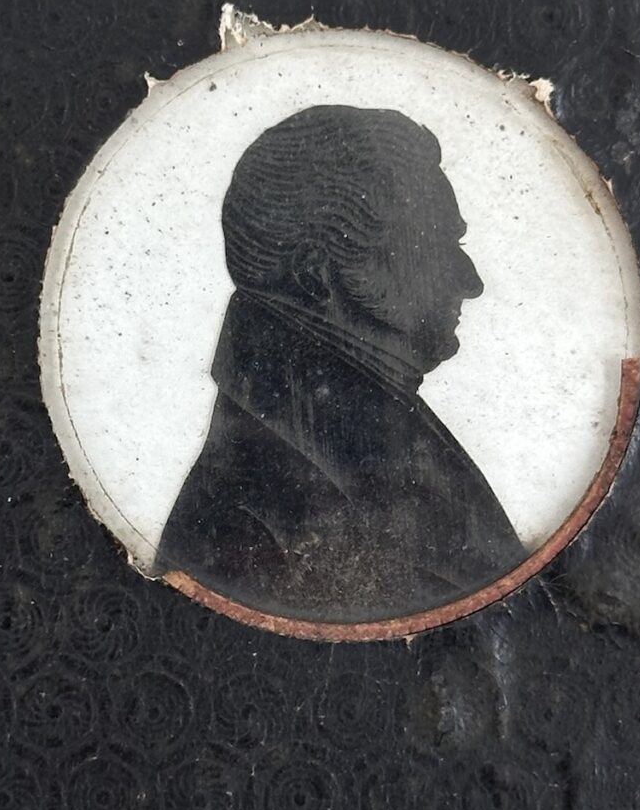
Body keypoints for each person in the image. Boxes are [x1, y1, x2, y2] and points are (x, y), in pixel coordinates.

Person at [156, 104, 523, 624]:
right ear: (318, 275)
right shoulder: (256, 521)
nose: (471, 281)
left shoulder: (332, 450)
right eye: (436, 244)